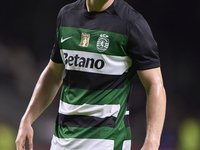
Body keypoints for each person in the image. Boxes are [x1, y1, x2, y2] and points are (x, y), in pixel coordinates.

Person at [15, 0, 166, 150]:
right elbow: (54, 72)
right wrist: (27, 119)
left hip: (107, 141)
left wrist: (152, 142)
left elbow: (155, 84)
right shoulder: (67, 16)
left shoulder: (132, 24)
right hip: (62, 141)